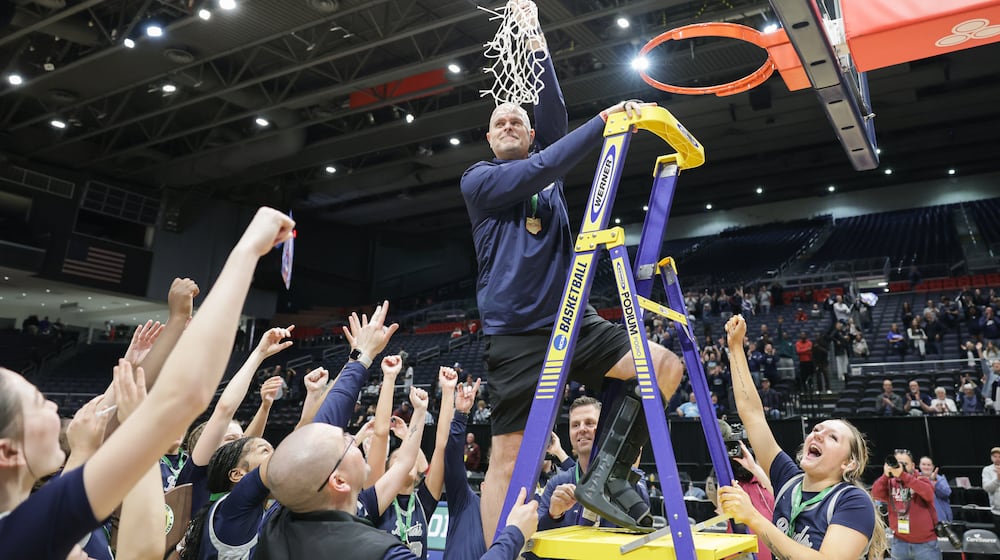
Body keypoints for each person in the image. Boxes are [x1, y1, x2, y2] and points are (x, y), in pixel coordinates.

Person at [460, 1, 683, 539]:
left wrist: (536, 40)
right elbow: (548, 160)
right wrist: (605, 121)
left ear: (530, 133)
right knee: (509, 463)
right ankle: (499, 554)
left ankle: (603, 477)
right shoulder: (480, 181)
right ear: (490, 140)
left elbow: (553, 115)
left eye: (518, 120)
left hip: (572, 323)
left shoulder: (547, 176)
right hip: (515, 336)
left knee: (665, 366)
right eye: (499, 122)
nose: (509, 123)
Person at [0, 207, 294, 559]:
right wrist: (246, 252)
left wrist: (175, 325)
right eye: (38, 403)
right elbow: (184, 397)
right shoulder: (21, 533)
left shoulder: (28, 524)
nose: (52, 405)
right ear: (8, 452)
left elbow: (142, 551)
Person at [717, 314, 885, 560]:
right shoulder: (789, 481)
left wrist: (753, 517)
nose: (818, 434)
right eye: (817, 429)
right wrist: (735, 348)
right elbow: (752, 414)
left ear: (849, 463)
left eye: (832, 437)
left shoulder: (853, 501)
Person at [536, 397, 650, 529]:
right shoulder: (557, 483)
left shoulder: (629, 479)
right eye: (575, 425)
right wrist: (554, 515)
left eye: (589, 423)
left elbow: (644, 527)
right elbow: (536, 537)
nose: (582, 429)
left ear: (604, 429)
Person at [872, 449, 941, 560]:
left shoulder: (921, 479)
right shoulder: (890, 483)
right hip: (899, 542)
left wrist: (903, 475)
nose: (901, 466)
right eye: (898, 463)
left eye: (905, 464)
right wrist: (885, 475)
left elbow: (928, 494)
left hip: (925, 544)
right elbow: (876, 494)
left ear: (913, 465)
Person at [918, 456, 952, 524]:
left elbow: (947, 493)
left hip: (939, 517)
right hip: (921, 517)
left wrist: (934, 481)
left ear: (933, 467)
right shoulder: (915, 478)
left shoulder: (940, 479)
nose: (926, 467)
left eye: (929, 465)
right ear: (919, 465)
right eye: (923, 464)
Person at [982, 446, 1000, 537]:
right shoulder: (987, 470)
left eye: (999, 456)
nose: (997, 459)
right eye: (994, 456)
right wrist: (998, 479)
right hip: (997, 512)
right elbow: (986, 488)